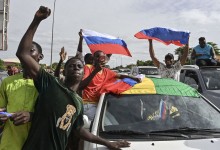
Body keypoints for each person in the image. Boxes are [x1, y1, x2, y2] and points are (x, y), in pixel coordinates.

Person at [16, 6, 130, 150]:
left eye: (79, 66)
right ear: (65, 71)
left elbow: (79, 130)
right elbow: (23, 54)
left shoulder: (78, 103)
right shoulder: (51, 83)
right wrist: (37, 20)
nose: (75, 67)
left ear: (84, 72)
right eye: (71, 65)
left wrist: (108, 143)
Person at [0, 41, 43, 150]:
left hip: (39, 143)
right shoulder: (7, 82)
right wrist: (3, 115)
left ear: (40, 56)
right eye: (22, 51)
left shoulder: (48, 84)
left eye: (30, 50)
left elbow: (55, 115)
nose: (25, 54)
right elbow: (1, 108)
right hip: (10, 144)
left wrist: (32, 116)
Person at [79, 50, 141, 121]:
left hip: (100, 104)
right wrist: (95, 71)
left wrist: (134, 78)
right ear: (93, 58)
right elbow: (81, 85)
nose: (99, 58)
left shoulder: (106, 71)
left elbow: (120, 76)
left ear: (104, 58)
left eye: (101, 57)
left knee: (113, 121)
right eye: (97, 56)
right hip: (88, 104)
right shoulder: (88, 68)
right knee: (105, 124)